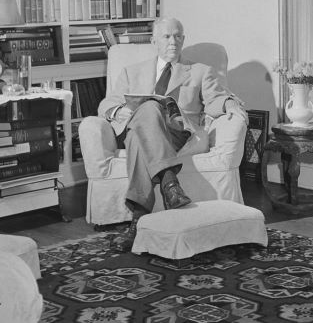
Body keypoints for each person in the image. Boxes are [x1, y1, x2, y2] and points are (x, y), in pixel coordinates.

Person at [98, 16, 247, 250]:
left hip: (177, 134)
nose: (173, 42)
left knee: (141, 129)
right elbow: (107, 104)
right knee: (145, 114)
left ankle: (138, 220)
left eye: (178, 36)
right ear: (153, 41)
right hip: (138, 132)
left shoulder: (199, 71)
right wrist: (118, 112)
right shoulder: (131, 72)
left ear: (184, 39)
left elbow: (216, 99)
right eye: (166, 36)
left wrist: (230, 105)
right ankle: (170, 185)